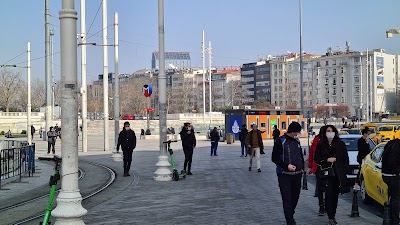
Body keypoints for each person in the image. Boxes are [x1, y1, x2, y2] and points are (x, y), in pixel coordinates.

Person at [314, 125, 350, 225]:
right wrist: (326, 160)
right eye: (328, 131)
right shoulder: (321, 144)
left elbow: (345, 158)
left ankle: (333, 215)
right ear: (325, 133)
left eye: (332, 131)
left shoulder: (340, 144)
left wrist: (345, 170)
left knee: (335, 196)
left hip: (338, 174)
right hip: (326, 174)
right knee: (328, 195)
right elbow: (316, 158)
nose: (330, 133)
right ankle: (330, 216)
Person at [271, 122, 304, 225]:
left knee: (295, 197)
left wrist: (302, 167)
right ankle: (289, 220)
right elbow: (274, 158)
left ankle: (290, 213)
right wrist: (286, 166)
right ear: (293, 131)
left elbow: (300, 155)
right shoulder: (280, 141)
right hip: (284, 174)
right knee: (287, 198)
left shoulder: (297, 141)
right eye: (297, 132)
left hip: (297, 174)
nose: (298, 134)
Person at [308, 125, 328, 216]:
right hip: (319, 167)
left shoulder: (332, 141)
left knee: (329, 188)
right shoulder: (316, 140)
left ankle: (327, 206)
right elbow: (311, 154)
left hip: (329, 168)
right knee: (320, 188)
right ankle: (321, 206)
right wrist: (310, 166)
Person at [381, 139, 400, 225]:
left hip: (386, 175)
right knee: (396, 198)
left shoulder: (391, 144)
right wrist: (397, 171)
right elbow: (392, 162)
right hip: (393, 176)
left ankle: (389, 218)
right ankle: (395, 221)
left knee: (392, 197)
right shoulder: (396, 147)